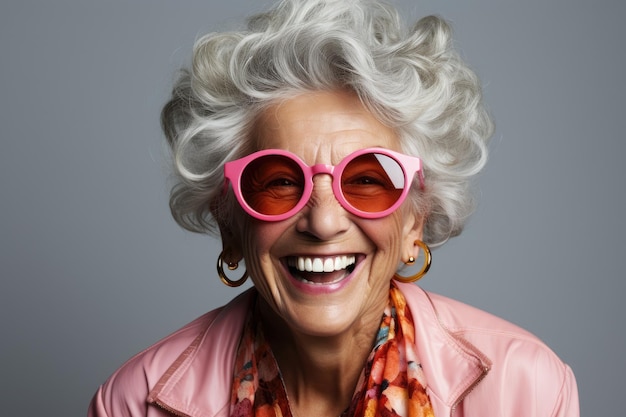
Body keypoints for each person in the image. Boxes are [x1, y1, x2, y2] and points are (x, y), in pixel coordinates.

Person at [88, 0, 579, 416]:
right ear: (229, 220)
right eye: (279, 182)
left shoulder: (524, 389)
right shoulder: (132, 403)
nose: (323, 222)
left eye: (367, 181)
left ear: (416, 218)